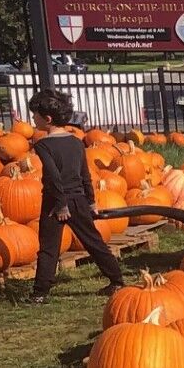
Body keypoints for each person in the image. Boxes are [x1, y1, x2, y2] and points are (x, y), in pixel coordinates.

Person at [24, 88, 126, 304]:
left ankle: (40, 293)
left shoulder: (43, 145)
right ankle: (117, 281)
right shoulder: (76, 142)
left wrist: (61, 205)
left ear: (48, 119)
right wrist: (91, 201)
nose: (33, 118)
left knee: (49, 248)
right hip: (79, 199)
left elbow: (53, 177)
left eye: (35, 115)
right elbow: (85, 173)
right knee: (94, 241)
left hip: (55, 202)